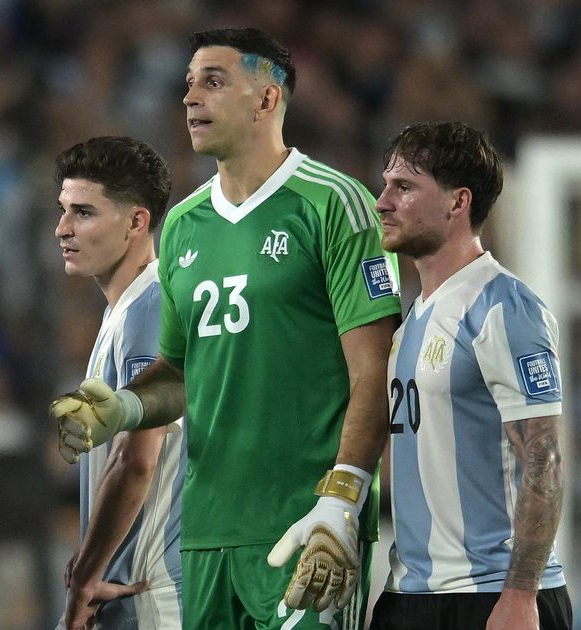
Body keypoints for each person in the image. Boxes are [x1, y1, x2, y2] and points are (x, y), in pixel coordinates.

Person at [50, 28, 400, 629]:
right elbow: (184, 372)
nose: (190, 98)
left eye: (213, 82)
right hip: (207, 533)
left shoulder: (333, 204)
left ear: (267, 100)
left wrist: (343, 499)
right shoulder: (184, 223)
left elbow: (375, 367)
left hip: (303, 525)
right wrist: (124, 408)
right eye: (188, 84)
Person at [369, 122, 572, 629]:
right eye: (386, 184)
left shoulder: (504, 307)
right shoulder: (410, 320)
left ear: (458, 202)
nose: (383, 201)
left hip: (489, 596)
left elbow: (543, 456)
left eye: (405, 186)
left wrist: (521, 595)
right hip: (408, 593)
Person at [51, 136, 184, 630]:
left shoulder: (149, 309)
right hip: (131, 585)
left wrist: (88, 572)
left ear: (136, 221)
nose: (62, 228)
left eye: (83, 212)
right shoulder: (122, 311)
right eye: (63, 210)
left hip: (150, 590)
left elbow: (138, 457)